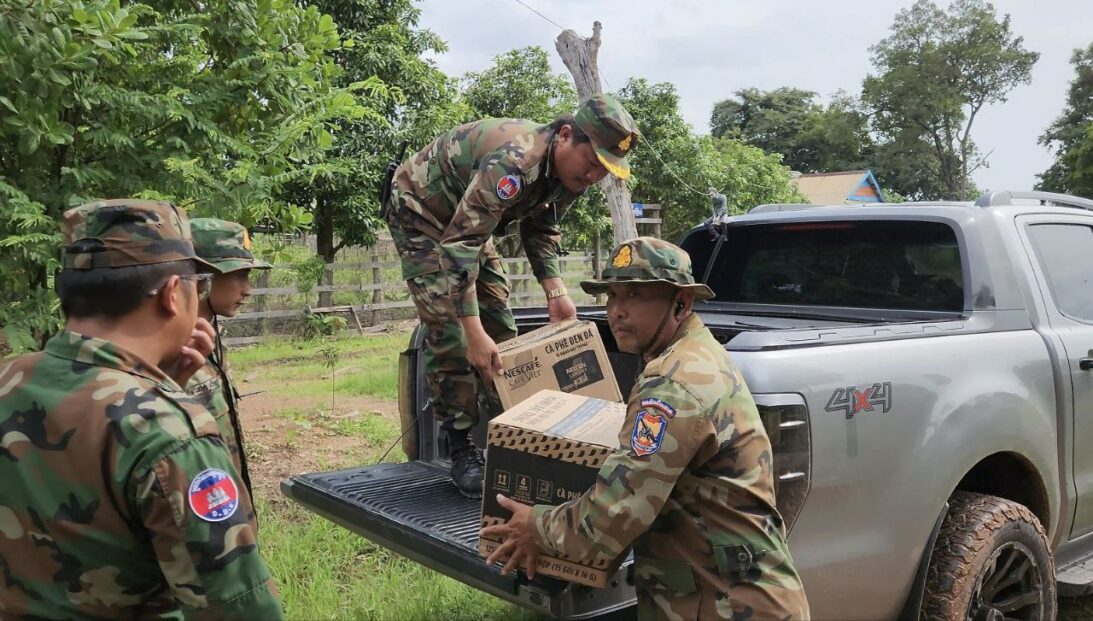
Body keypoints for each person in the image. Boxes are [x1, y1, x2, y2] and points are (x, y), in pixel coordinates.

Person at [481, 238, 810, 620]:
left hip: (731, 607)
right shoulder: (690, 354)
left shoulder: (673, 385)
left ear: (681, 303)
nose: (616, 311)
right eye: (611, 296)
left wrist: (535, 526)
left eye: (635, 295)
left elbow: (613, 515)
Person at [0, 199, 284, 619]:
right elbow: (238, 609)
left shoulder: (10, 377)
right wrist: (163, 404)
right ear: (173, 294)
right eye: (197, 283)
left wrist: (160, 386)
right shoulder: (170, 433)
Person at [382, 93, 640, 497]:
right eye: (591, 163)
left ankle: (512, 434)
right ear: (565, 135)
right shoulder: (515, 162)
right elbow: (459, 248)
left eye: (603, 170)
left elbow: (542, 229)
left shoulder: (572, 174)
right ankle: (460, 446)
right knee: (450, 327)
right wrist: (472, 333)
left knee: (500, 327)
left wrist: (556, 291)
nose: (594, 176)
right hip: (421, 212)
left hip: (469, 222)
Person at [185, 218, 272, 498]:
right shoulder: (172, 353)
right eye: (239, 275)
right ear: (203, 277)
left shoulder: (211, 339)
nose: (247, 289)